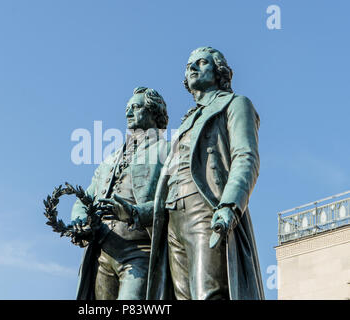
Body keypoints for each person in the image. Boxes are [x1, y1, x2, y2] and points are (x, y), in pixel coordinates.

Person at [147, 47, 265, 300]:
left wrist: (230, 205)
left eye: (201, 63)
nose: (192, 68)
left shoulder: (236, 104)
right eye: (189, 65)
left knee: (208, 294)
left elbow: (246, 157)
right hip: (173, 218)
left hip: (206, 208)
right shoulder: (187, 120)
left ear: (219, 71)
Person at [71, 87, 169, 300]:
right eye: (127, 108)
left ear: (154, 112)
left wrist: (134, 212)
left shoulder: (168, 152)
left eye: (135, 107)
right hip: (103, 254)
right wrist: (79, 220)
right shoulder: (110, 159)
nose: (128, 113)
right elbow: (85, 198)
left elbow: (174, 204)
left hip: (140, 253)